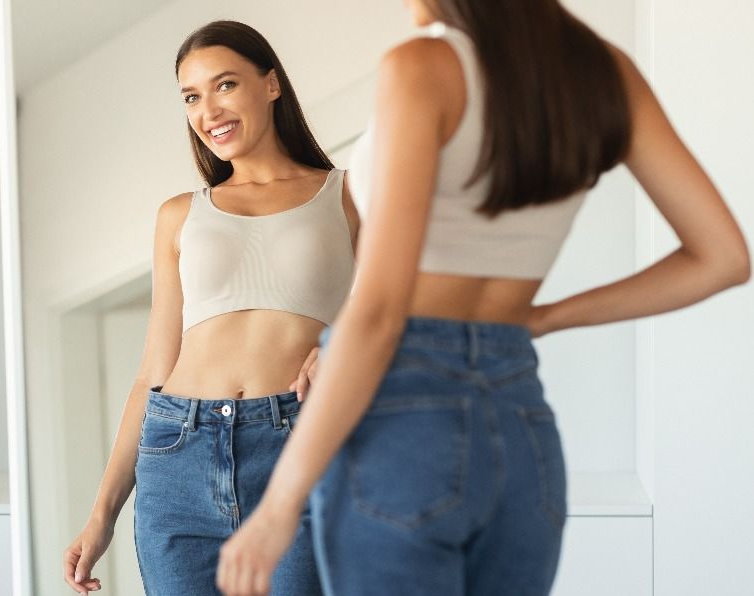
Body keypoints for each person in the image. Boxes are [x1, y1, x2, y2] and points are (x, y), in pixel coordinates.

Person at [216, 1, 750, 595]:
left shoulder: (424, 66)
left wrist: (278, 504)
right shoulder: (603, 74)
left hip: (400, 414)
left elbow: (379, 312)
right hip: (519, 416)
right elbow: (723, 257)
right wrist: (542, 318)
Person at [61, 20, 360, 595]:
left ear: (271, 84)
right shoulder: (179, 214)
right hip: (177, 454)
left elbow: (401, 309)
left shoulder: (346, 195)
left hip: (298, 448)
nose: (208, 110)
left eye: (224, 85)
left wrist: (339, 347)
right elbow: (152, 370)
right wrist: (101, 516)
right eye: (191, 97)